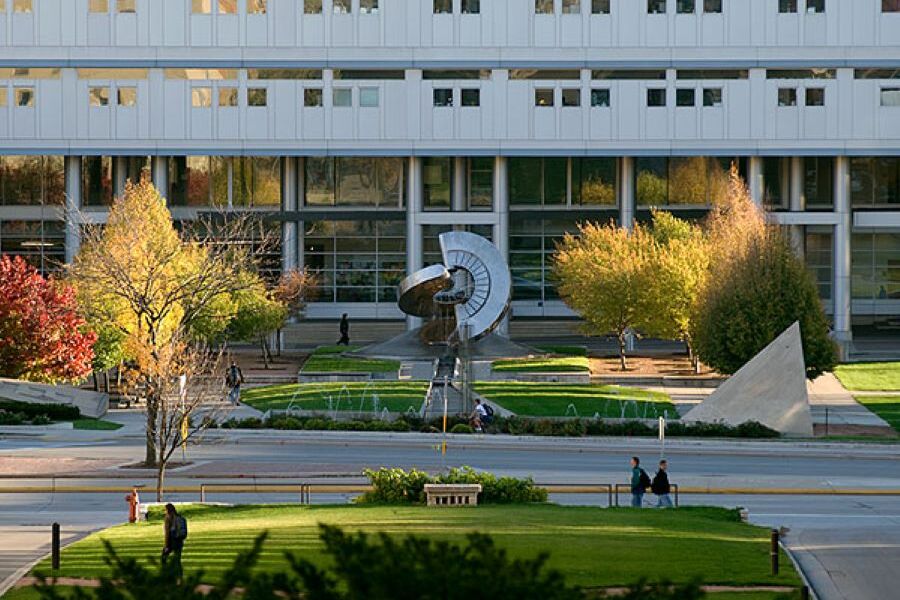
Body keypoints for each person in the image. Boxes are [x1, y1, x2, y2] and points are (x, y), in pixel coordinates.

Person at [162, 503, 188, 579]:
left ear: (168, 510)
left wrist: (166, 545)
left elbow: (167, 533)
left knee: (163, 557)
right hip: (179, 541)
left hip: (172, 541)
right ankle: (180, 577)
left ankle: (166, 574)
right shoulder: (179, 517)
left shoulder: (168, 518)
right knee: (177, 560)